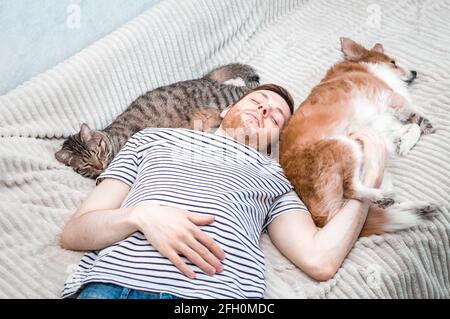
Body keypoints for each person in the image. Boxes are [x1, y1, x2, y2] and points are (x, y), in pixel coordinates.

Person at [60, 84, 387, 299]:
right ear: (229, 107)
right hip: (114, 287)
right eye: (257, 101)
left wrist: (369, 180)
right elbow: (75, 232)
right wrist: (140, 215)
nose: (263, 111)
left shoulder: (273, 175)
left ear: (277, 138)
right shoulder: (152, 139)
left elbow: (320, 259)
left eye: (275, 116)